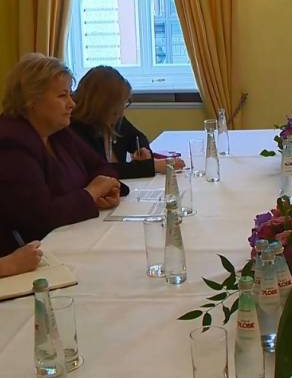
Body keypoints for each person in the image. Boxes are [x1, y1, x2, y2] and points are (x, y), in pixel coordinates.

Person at [0, 53, 121, 257]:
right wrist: (91, 193)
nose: (72, 104)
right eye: (62, 96)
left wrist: (107, 190)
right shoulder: (11, 143)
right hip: (31, 254)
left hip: (72, 237)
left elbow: (102, 166)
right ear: (32, 100)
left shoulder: (59, 132)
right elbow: (40, 218)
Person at [70, 66, 185, 179]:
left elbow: (137, 137)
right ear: (102, 105)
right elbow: (101, 170)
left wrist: (142, 150)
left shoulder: (113, 118)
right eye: (117, 107)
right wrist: (153, 166)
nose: (121, 113)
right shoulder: (76, 130)